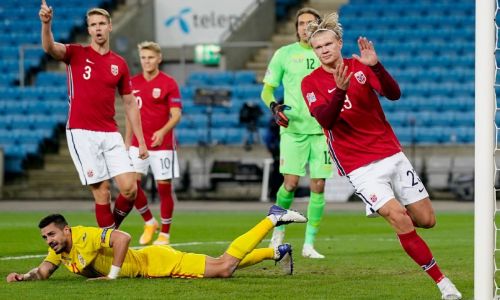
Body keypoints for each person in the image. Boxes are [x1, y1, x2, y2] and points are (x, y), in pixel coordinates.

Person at [300, 13, 462, 300]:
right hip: (359, 166)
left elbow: (394, 93)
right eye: (318, 47)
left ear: (339, 43)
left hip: (390, 153)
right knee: (400, 217)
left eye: (328, 43)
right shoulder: (310, 83)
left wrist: (377, 66)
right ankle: (443, 283)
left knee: (426, 220)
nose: (324, 50)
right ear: (314, 50)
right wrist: (339, 91)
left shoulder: (360, 67)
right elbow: (326, 120)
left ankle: (384, 204)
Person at [39, 1, 148, 229]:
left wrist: (141, 140)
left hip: (110, 132)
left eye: (101, 24)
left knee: (130, 189)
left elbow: (129, 102)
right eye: (93, 24)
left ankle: (108, 233)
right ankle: (108, 242)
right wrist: (46, 24)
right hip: (82, 131)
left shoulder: (119, 63)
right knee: (103, 191)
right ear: (88, 30)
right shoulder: (75, 53)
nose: (97, 28)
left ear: (110, 26)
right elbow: (50, 48)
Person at [5, 207, 307, 282]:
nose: (49, 242)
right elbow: (44, 271)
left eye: (52, 236)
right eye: (46, 238)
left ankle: (272, 219)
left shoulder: (84, 236)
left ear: (66, 230)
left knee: (224, 267)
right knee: (221, 264)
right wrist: (26, 276)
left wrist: (111, 276)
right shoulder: (59, 250)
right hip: (153, 262)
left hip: (156, 263)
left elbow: (122, 238)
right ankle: (276, 252)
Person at [261, 7, 333, 259]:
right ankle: (277, 232)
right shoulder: (284, 54)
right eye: (301, 23)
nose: (305, 27)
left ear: (318, 26)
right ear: (296, 28)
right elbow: (267, 90)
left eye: (310, 23)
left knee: (319, 185)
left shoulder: (327, 53)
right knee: (290, 184)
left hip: (322, 130)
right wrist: (273, 106)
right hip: (293, 130)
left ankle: (309, 244)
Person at [119, 41, 182, 246]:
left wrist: (163, 131)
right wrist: (127, 141)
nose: (147, 61)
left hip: (162, 145)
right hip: (138, 143)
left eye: (151, 57)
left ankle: (165, 234)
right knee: (131, 186)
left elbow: (176, 114)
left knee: (164, 188)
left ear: (159, 59)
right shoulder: (132, 82)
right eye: (144, 57)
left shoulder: (169, 83)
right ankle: (149, 221)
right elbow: (130, 115)